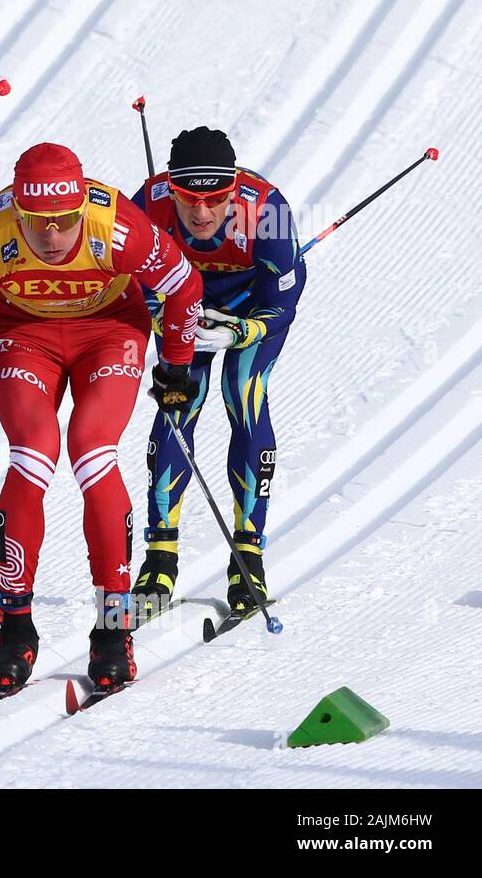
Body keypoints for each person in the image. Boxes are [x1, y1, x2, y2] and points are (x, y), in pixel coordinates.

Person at [0, 143, 203, 693]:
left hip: (109, 331)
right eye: (39, 225)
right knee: (31, 455)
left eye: (64, 222)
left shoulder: (117, 224)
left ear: (81, 209)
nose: (53, 238)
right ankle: (14, 629)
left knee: (92, 452)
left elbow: (184, 285)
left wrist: (177, 362)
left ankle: (113, 627)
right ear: (18, 212)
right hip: (22, 334)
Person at [130, 127, 306, 615]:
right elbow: (131, 285)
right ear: (171, 187)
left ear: (234, 189)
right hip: (182, 301)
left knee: (243, 389)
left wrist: (237, 333)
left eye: (216, 199)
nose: (202, 213)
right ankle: (160, 555)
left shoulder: (266, 211)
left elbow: (282, 304)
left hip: (251, 306)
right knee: (178, 400)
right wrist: (173, 322)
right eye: (189, 199)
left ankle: (248, 553)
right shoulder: (146, 205)